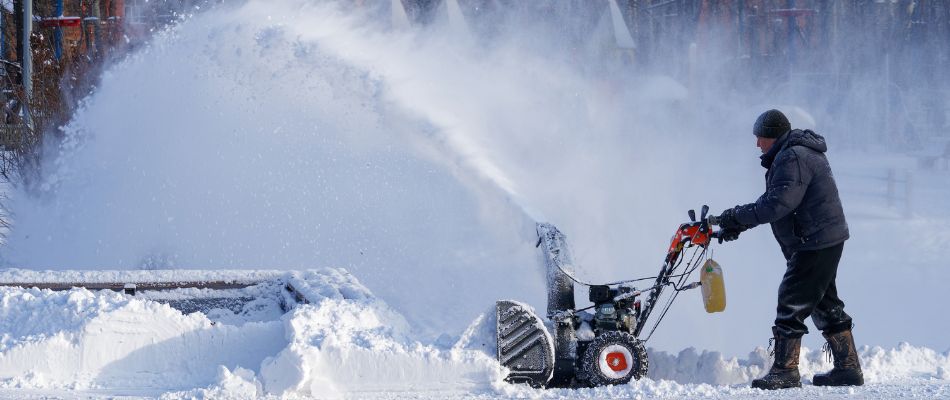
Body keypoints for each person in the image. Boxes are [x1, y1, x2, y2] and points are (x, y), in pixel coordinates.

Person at [715, 109, 863, 390]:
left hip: (814, 241)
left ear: (774, 136)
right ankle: (848, 368)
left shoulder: (793, 157)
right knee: (825, 303)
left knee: (791, 300)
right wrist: (738, 223)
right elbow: (776, 200)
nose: (757, 143)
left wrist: (735, 216)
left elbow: (777, 204)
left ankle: (786, 369)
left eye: (761, 137)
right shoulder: (793, 154)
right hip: (822, 238)